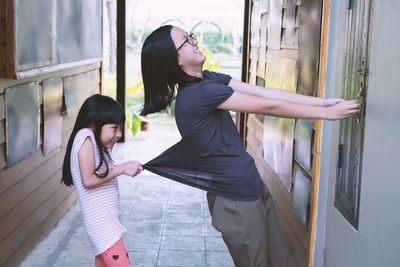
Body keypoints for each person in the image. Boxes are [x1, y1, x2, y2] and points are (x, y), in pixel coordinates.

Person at [140, 25, 359, 267]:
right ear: (176, 60)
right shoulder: (196, 95)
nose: (194, 41)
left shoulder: (209, 79)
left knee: (279, 261)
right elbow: (268, 107)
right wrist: (327, 114)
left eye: (191, 36)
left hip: (250, 186)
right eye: (186, 40)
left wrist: (325, 102)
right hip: (235, 200)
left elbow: (266, 94)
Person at [62, 94, 143, 267]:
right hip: (103, 228)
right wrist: (121, 168)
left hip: (105, 225)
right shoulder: (86, 136)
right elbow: (89, 180)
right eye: (114, 128)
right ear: (94, 122)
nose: (119, 134)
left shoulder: (92, 140)